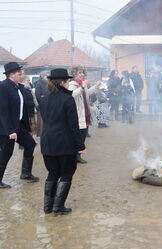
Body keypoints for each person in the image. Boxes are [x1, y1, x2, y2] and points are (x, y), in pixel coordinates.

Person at [40, 68, 85, 215]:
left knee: (52, 173)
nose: (69, 83)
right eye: (68, 81)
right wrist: (80, 145)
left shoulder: (44, 98)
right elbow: (74, 126)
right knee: (66, 173)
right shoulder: (67, 99)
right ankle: (58, 207)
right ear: (63, 82)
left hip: (47, 141)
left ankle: (48, 206)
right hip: (64, 143)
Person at [0, 62, 39, 189]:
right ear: (11, 74)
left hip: (18, 125)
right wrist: (10, 131)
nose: (21, 74)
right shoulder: (4, 87)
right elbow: (3, 111)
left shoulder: (18, 87)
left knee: (30, 144)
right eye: (18, 72)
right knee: (6, 153)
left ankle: (26, 173)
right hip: (7, 128)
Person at [69, 66, 100, 164]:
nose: (82, 74)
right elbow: (72, 95)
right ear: (74, 74)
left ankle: (77, 155)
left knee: (83, 135)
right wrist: (82, 86)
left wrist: (95, 86)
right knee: (79, 136)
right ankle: (75, 156)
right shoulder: (72, 84)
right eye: (79, 73)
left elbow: (87, 93)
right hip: (77, 114)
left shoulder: (82, 84)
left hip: (85, 113)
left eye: (83, 72)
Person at [35, 70, 49, 137]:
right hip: (42, 106)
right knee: (41, 124)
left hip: (49, 106)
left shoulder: (49, 83)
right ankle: (41, 136)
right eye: (47, 76)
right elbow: (38, 95)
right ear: (43, 76)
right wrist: (43, 101)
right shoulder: (39, 83)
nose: (48, 77)